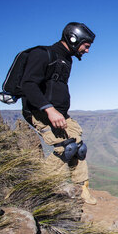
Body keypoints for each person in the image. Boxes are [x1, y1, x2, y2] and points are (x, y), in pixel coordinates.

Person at [21, 22, 97, 205]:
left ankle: (82, 188)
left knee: (78, 147)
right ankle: (39, 188)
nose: (87, 51)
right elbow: (28, 85)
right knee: (66, 147)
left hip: (59, 113)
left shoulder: (66, 59)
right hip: (40, 112)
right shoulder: (42, 54)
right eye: (86, 46)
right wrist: (49, 109)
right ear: (73, 39)